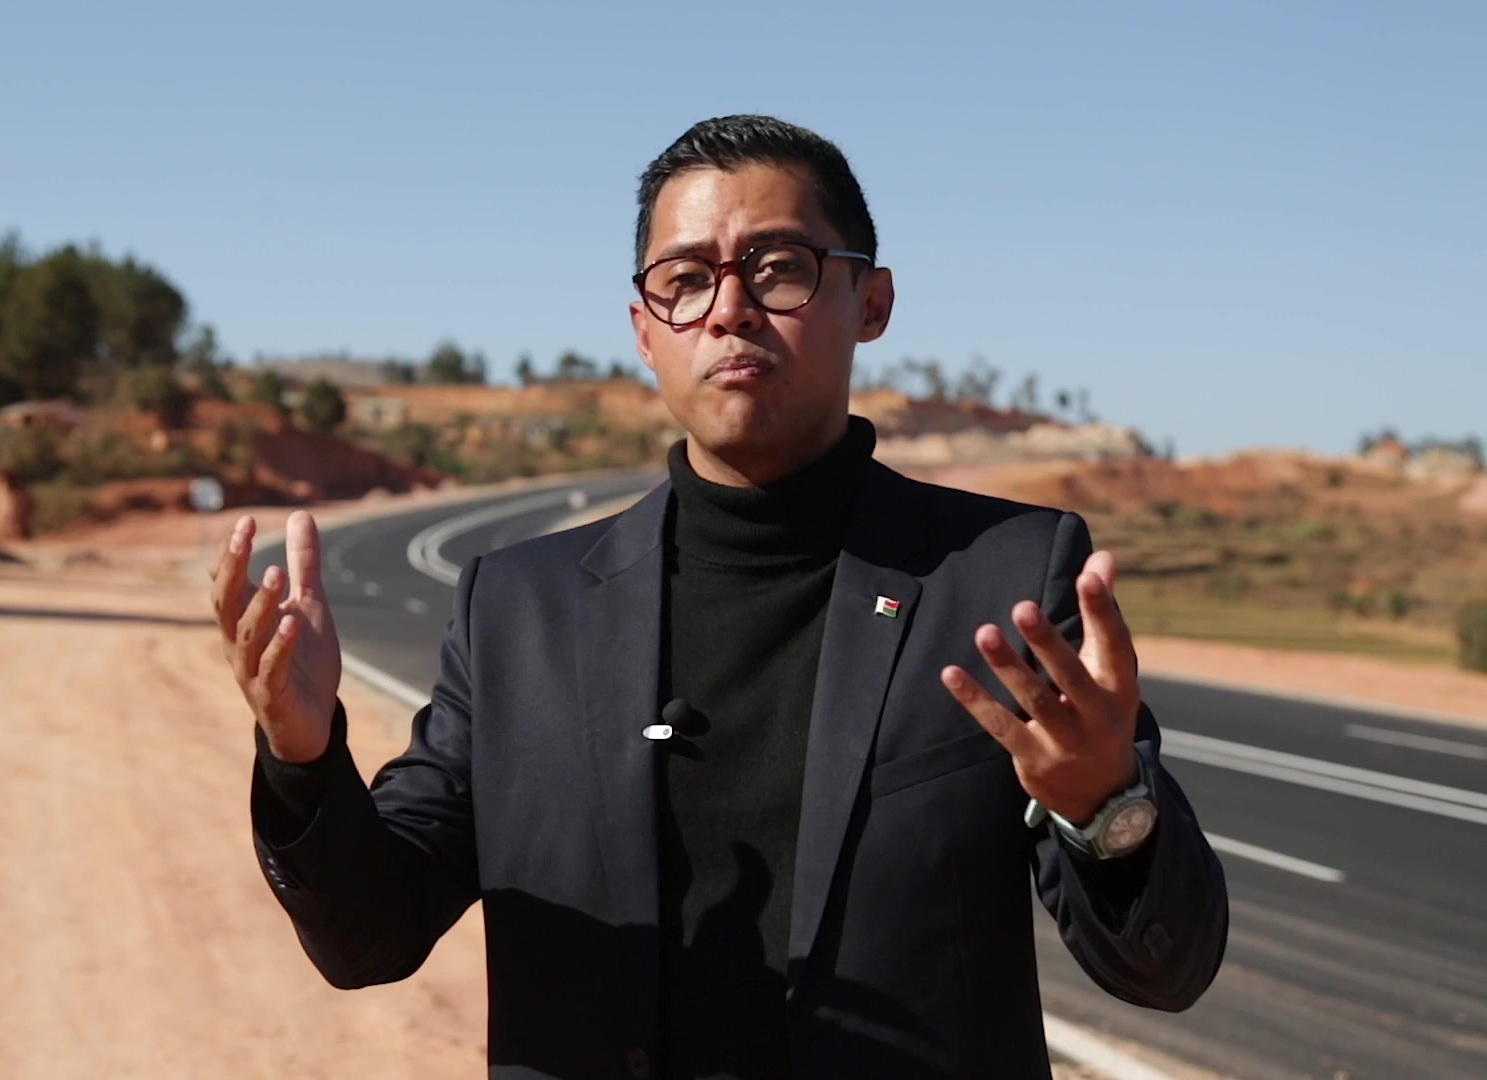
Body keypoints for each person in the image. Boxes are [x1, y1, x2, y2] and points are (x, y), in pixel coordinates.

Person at [212, 114, 1228, 1079]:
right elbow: (368, 936)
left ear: (871, 302)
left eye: (779, 269)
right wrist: (303, 760)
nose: (730, 309)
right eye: (686, 281)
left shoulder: (1004, 579)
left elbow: (1160, 965)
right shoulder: (518, 611)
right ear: (646, 332)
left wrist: (1106, 805)